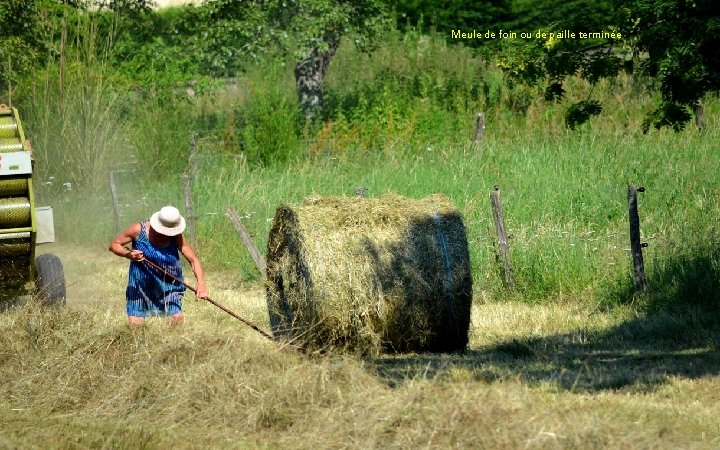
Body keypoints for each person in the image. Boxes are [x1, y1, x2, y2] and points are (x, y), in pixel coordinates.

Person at [109, 206, 208, 325]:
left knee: (176, 319)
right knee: (136, 325)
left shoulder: (176, 235)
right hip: (140, 284)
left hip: (169, 284)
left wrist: (201, 284)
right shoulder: (138, 230)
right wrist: (128, 254)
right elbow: (114, 245)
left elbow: (193, 260)